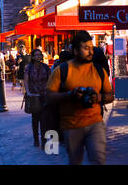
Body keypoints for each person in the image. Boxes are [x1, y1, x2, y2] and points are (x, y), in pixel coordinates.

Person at [46, 31, 114, 165]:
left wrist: (98, 97)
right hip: (71, 126)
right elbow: (48, 96)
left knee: (98, 160)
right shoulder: (62, 70)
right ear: (76, 51)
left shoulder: (99, 70)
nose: (91, 52)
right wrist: (70, 95)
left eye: (92, 48)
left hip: (95, 124)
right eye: (86, 48)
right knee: (75, 162)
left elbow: (110, 95)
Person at [24, 49, 51, 148]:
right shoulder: (29, 68)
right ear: (33, 56)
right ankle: (36, 139)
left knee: (44, 119)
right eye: (36, 55)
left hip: (43, 95)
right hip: (34, 96)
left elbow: (50, 79)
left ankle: (44, 141)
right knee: (35, 119)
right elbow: (26, 81)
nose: (39, 56)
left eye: (40, 55)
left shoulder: (45, 67)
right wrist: (28, 92)